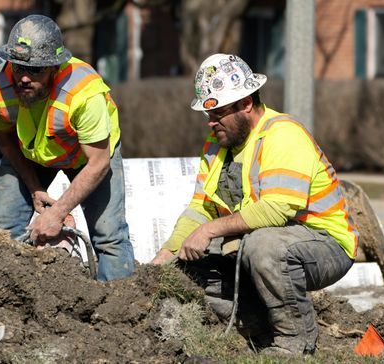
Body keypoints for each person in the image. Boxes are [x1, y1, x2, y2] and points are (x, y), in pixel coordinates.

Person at [151, 54, 357, 355]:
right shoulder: (216, 146)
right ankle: (259, 326)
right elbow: (201, 207)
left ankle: (295, 344)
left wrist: (210, 230)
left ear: (246, 103)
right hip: (262, 246)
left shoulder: (282, 135)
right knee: (186, 269)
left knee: (264, 247)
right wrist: (168, 253)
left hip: (325, 245)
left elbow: (277, 209)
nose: (211, 122)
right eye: (208, 114)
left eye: (218, 113)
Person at [0, 14, 135, 281]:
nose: (24, 78)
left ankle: (118, 313)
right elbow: (4, 139)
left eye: (35, 70)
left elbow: (98, 163)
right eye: (18, 67)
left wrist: (57, 212)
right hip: (28, 155)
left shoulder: (85, 93)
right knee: (0, 233)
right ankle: (0, 308)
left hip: (87, 160)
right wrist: (34, 187)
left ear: (54, 66)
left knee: (110, 237)